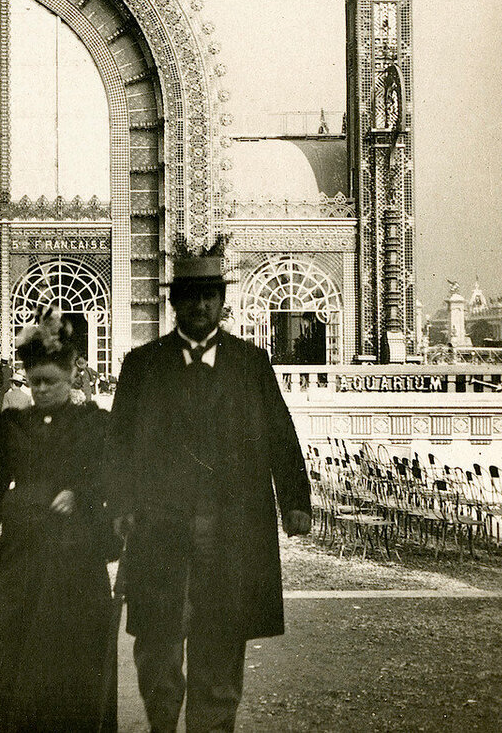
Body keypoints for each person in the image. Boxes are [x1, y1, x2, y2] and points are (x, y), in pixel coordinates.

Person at [110, 239, 313, 733]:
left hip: (231, 532)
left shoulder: (251, 365)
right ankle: (162, 722)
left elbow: (280, 435)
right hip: (159, 532)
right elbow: (117, 447)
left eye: (210, 296)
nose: (201, 306)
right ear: (174, 301)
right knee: (158, 647)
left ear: (223, 302)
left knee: (221, 644)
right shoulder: (143, 365)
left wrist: (295, 500)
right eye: (191, 295)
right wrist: (118, 506)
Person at [0, 310, 118, 732]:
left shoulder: (94, 424)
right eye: (34, 381)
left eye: (50, 382)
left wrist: (81, 494)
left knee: (69, 651)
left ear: (70, 378)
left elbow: (113, 480)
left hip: (75, 554)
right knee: (11, 645)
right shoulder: (10, 426)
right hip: (20, 554)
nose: (40, 390)